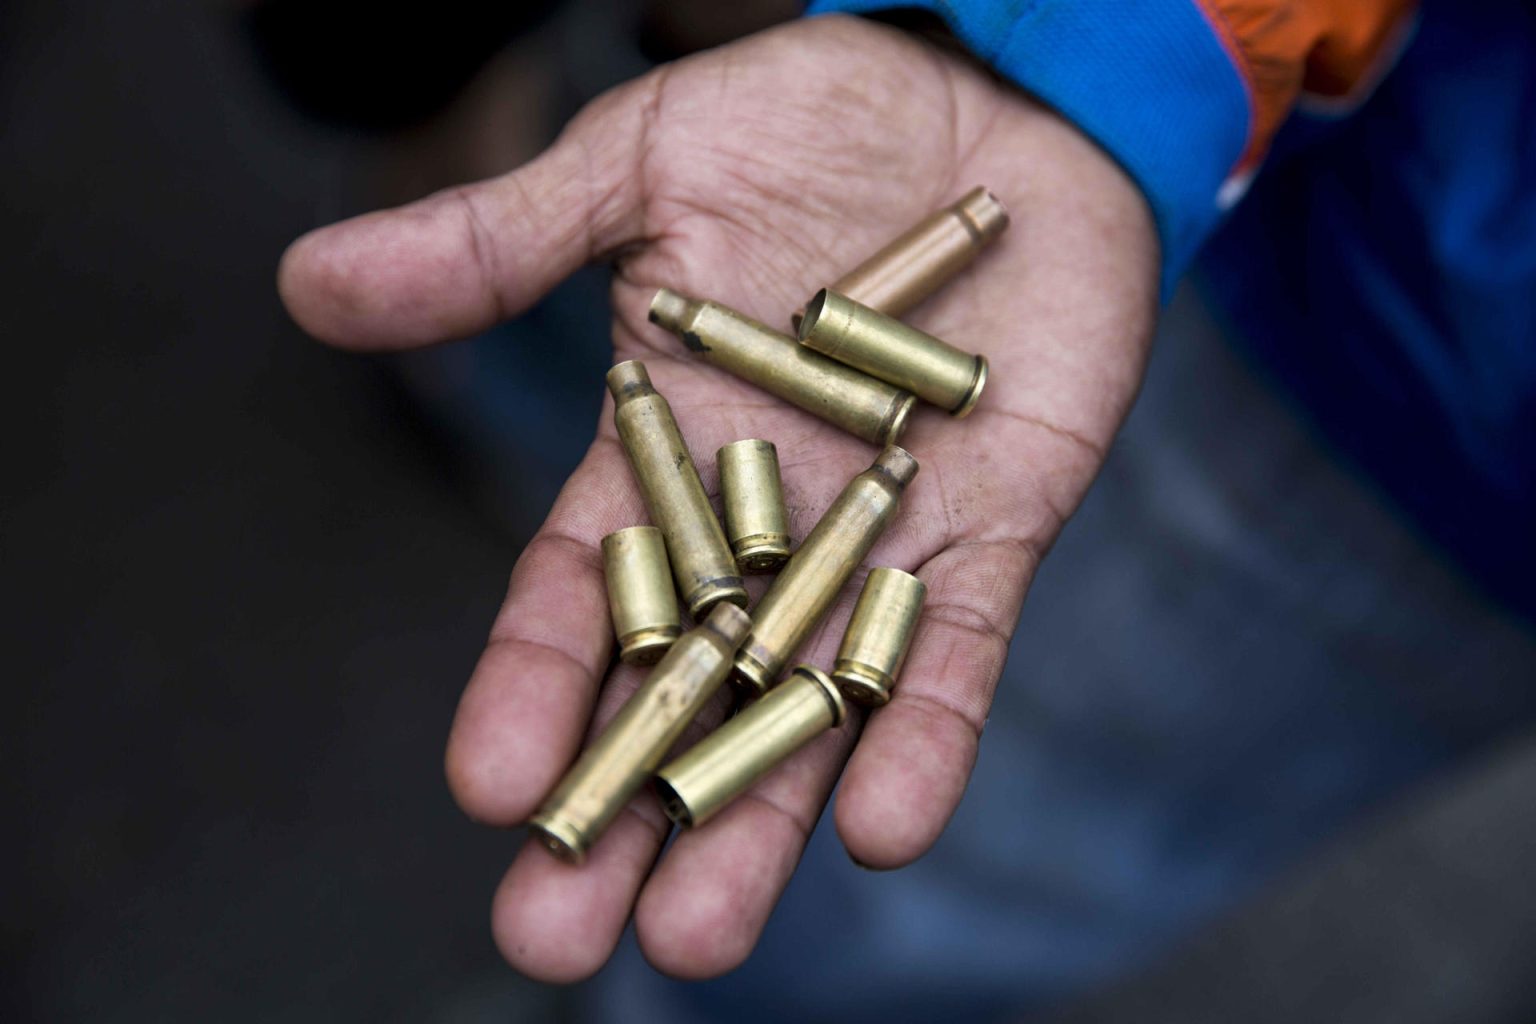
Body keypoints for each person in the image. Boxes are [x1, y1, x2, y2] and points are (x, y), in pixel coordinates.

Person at [277, 1, 1536, 1017]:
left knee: (952, 889)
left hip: (1455, 453)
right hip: (1417, 337)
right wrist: (1097, 42)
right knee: (976, 857)